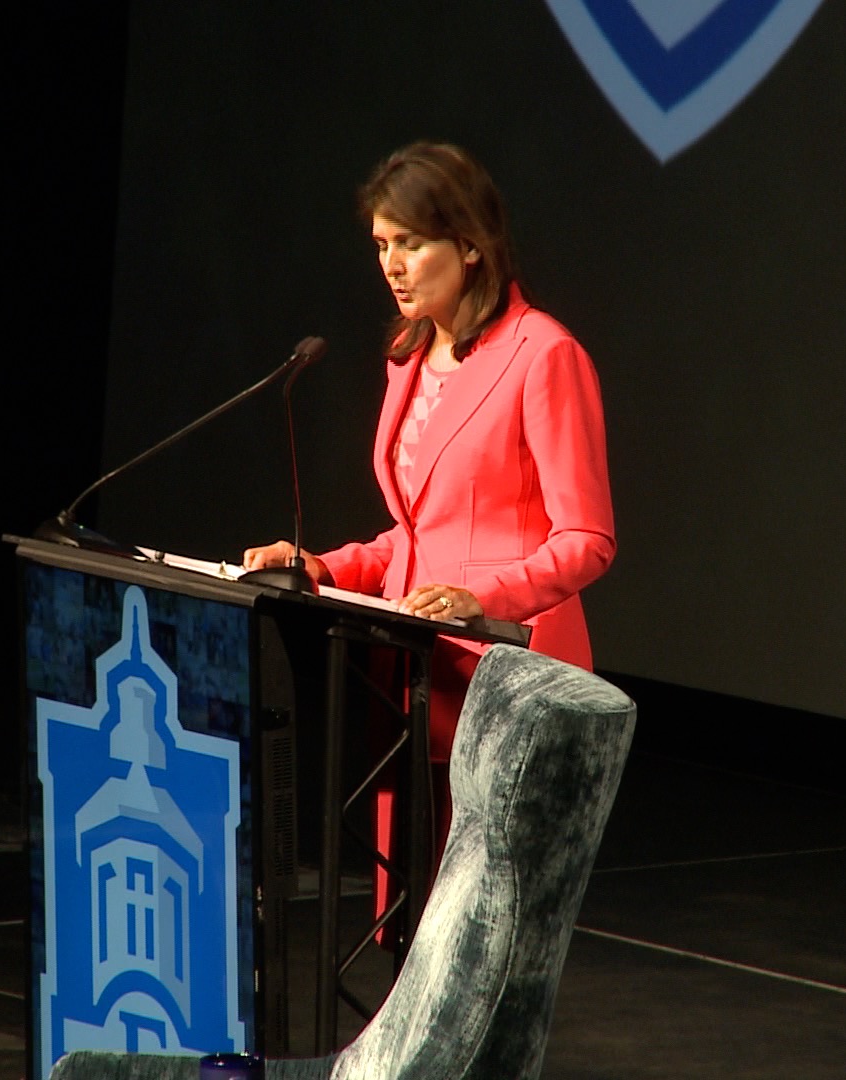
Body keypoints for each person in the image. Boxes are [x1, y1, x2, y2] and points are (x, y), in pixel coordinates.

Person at [243, 143, 614, 914]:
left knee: (479, 938)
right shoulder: (410, 357)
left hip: (503, 680)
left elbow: (586, 538)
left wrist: (480, 599)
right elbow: (417, 536)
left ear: (471, 243)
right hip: (413, 681)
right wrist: (322, 566)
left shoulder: (543, 355)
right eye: (382, 245)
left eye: (410, 242)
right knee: (413, 939)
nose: (393, 265)